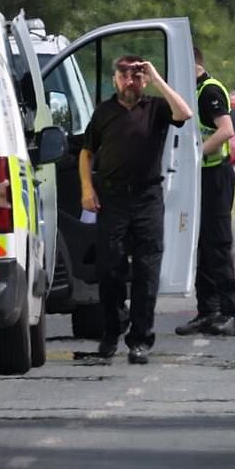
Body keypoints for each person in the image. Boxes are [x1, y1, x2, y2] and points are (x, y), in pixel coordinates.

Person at [80, 55, 192, 364]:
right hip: (112, 198)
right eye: (124, 76)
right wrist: (87, 189)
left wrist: (157, 78)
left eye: (136, 76)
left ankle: (140, 339)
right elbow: (86, 152)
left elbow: (185, 113)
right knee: (109, 267)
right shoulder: (104, 111)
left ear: (143, 80)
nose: (130, 81)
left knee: (147, 268)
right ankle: (112, 330)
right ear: (115, 79)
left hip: (146, 198)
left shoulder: (156, 108)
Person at [176, 46, 235, 337]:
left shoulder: (209, 91)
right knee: (199, 244)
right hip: (199, 175)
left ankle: (228, 313)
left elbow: (225, 130)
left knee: (218, 243)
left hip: (215, 174)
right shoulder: (190, 91)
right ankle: (207, 311)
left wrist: (195, 154)